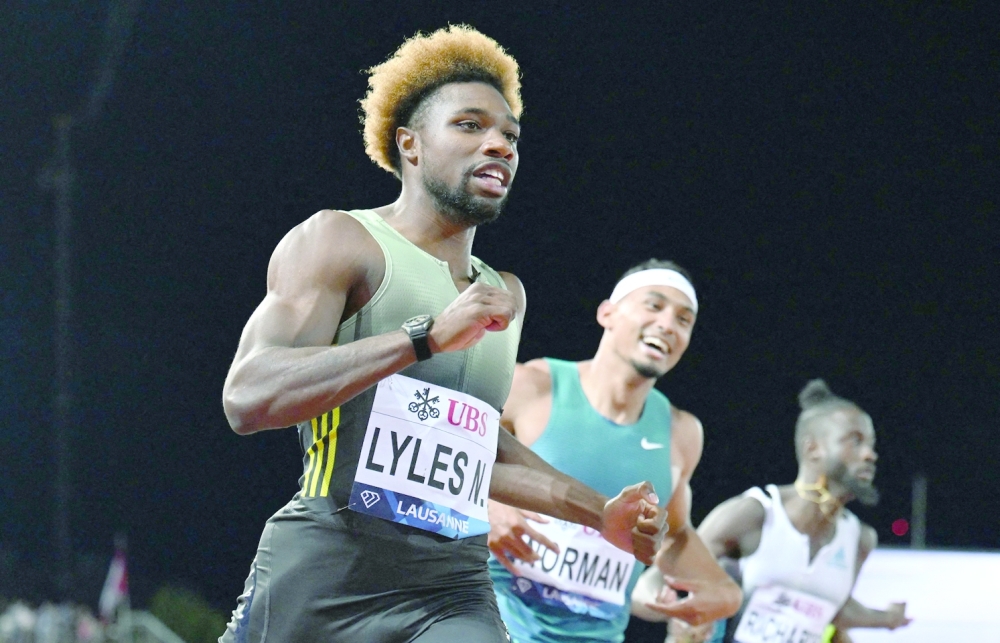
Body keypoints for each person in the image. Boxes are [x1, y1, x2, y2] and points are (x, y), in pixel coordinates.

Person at [218, 25, 667, 643]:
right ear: (410, 143)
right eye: (470, 125)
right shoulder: (341, 240)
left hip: (451, 586)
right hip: (327, 568)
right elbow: (248, 397)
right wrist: (423, 338)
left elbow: (478, 446)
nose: (499, 145)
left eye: (510, 136)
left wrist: (599, 513)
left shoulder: (504, 294)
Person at [487, 260, 742, 643]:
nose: (668, 325)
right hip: (496, 625)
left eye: (683, 320)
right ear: (607, 313)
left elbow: (673, 532)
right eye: (654, 306)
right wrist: (487, 503)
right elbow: (444, 454)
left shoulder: (682, 432)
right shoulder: (531, 387)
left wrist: (725, 592)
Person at [632, 379, 912, 643]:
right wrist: (669, 608)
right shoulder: (754, 514)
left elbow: (833, 607)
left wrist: (887, 618)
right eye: (855, 441)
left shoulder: (859, 539)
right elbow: (652, 581)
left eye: (871, 444)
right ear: (813, 448)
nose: (870, 454)